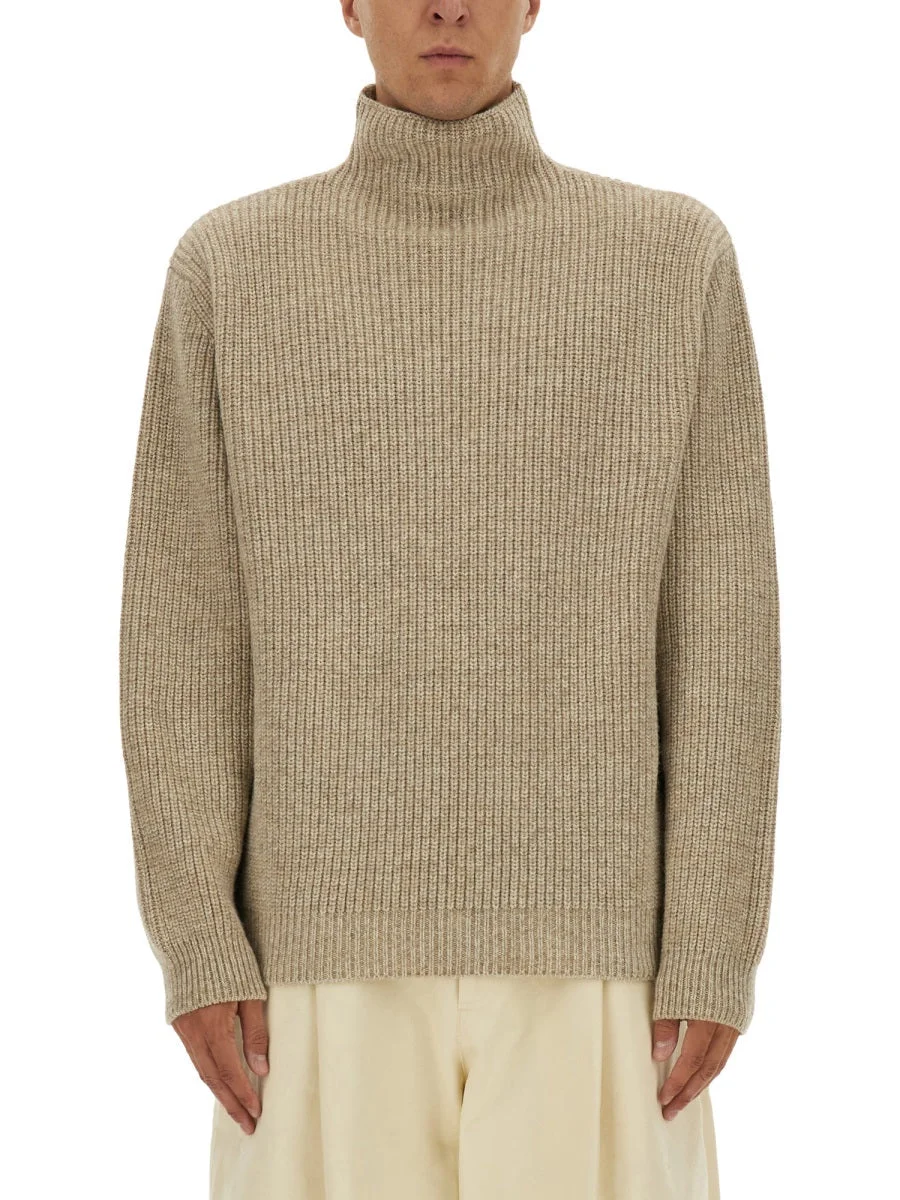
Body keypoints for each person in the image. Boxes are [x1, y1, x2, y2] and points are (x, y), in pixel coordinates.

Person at [118, 1, 781, 1196]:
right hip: (313, 958)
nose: (446, 7)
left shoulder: (670, 259)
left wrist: (714, 942)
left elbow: (724, 621)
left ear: (534, 3)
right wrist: (197, 938)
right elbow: (181, 627)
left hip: (601, 957)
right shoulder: (231, 268)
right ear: (347, 4)